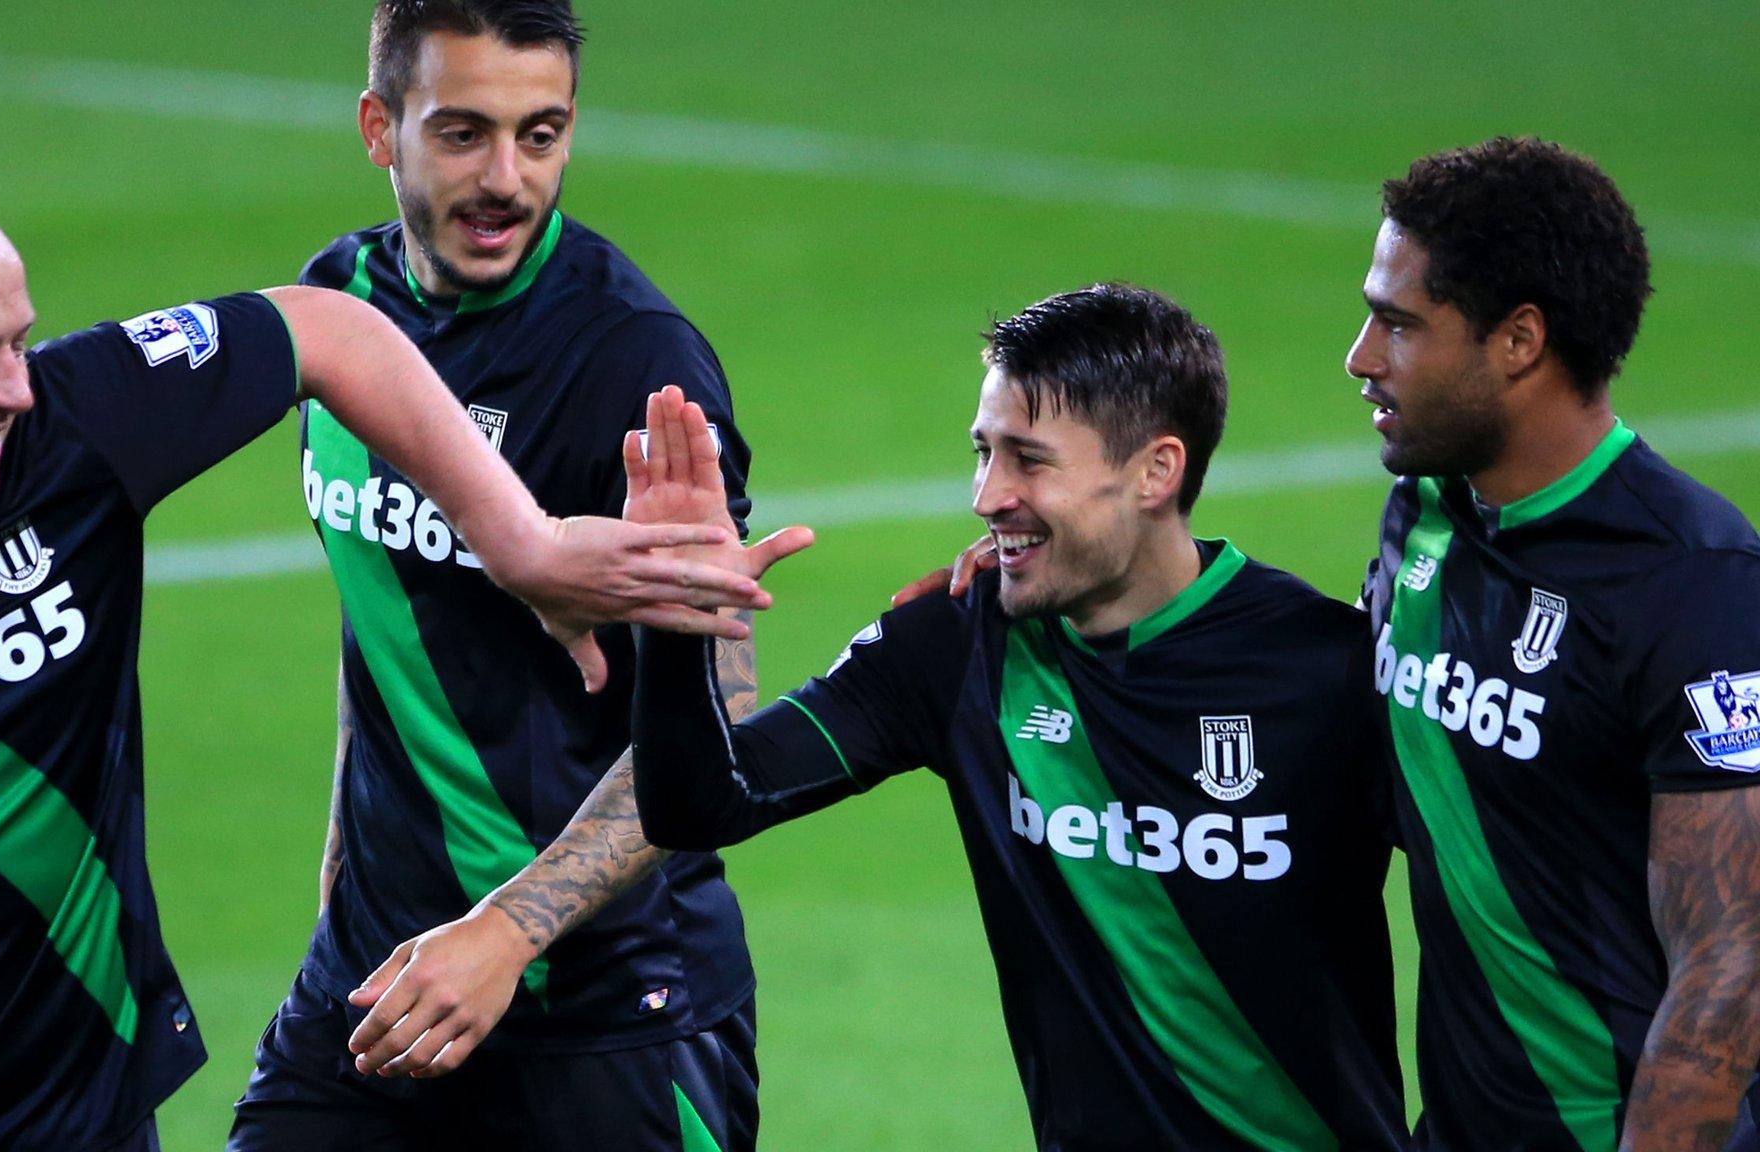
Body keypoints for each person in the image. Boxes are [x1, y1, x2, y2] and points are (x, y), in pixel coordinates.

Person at [0, 171, 762, 1152]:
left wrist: (521, 545)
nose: (14, 389)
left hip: (76, 1116)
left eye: (17, 344)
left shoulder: (72, 436)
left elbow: (328, 332)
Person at [626, 287, 1408, 1150]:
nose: (987, 495)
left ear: (1157, 471)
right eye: (983, 452)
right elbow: (703, 804)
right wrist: (672, 620)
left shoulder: (1325, 670)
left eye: (1029, 460)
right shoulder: (957, 648)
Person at [230, 3, 770, 1149]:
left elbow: (716, 726)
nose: (506, 180)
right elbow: (384, 611)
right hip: (383, 974)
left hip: (610, 1016)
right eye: (463, 133)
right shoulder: (338, 313)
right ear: (380, 128)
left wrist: (506, 932)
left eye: (541, 133)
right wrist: (344, 873)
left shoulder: (632, 363)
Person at [1348, 137, 1760, 1151]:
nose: (1359, 357)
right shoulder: (1424, 515)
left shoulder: (1692, 583)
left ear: (1518, 340)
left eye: (1398, 325)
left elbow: (1729, 968)